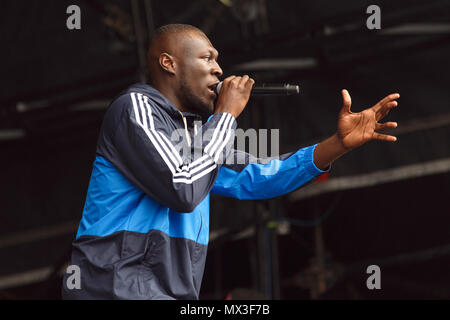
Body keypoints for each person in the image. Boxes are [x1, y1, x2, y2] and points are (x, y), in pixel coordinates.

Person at [62, 24, 399, 300]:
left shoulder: (201, 137)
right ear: (169, 63)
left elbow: (261, 176)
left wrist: (337, 145)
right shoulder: (135, 108)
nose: (219, 69)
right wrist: (225, 115)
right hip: (113, 292)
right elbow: (182, 188)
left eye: (218, 60)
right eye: (207, 58)